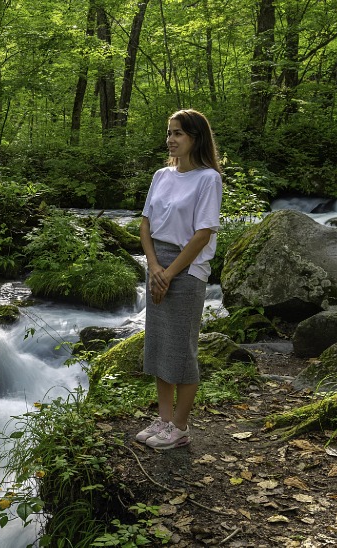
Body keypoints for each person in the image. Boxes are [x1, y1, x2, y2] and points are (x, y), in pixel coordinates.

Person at [134, 109, 223, 450]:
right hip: (158, 263)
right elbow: (145, 224)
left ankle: (181, 427)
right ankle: (164, 418)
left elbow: (203, 233)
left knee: (182, 349)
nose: (171, 140)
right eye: (169, 133)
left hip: (187, 269)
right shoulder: (161, 175)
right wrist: (154, 266)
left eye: (178, 134)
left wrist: (169, 273)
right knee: (159, 344)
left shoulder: (208, 179)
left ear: (196, 138)